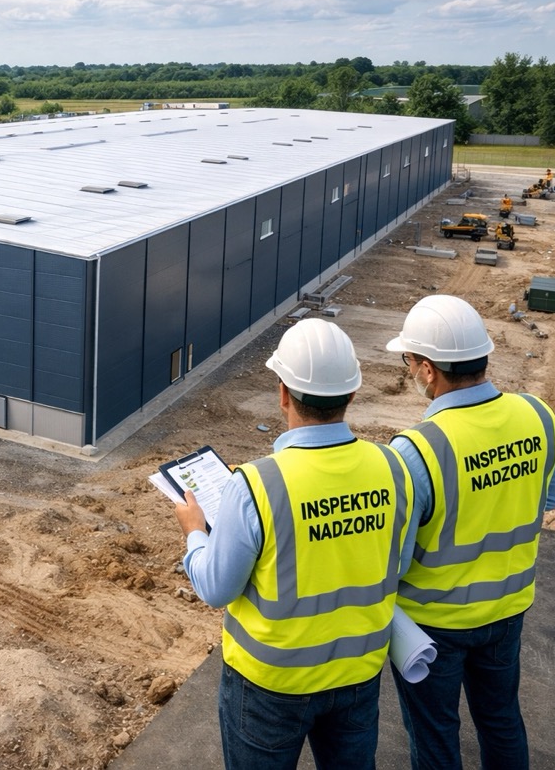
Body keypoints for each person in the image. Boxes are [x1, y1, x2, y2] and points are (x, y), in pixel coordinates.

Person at [174, 318, 415, 769]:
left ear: (283, 393)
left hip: (270, 687)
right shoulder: (393, 467)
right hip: (357, 674)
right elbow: (395, 564)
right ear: (353, 393)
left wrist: (194, 531)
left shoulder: (257, 484)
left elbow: (215, 589)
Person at [386, 295, 555, 770]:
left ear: (427, 370)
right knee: (501, 720)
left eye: (409, 361)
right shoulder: (538, 416)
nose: (409, 371)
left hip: (433, 624)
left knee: (436, 734)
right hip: (508, 607)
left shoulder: (417, 450)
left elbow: (395, 562)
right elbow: (545, 501)